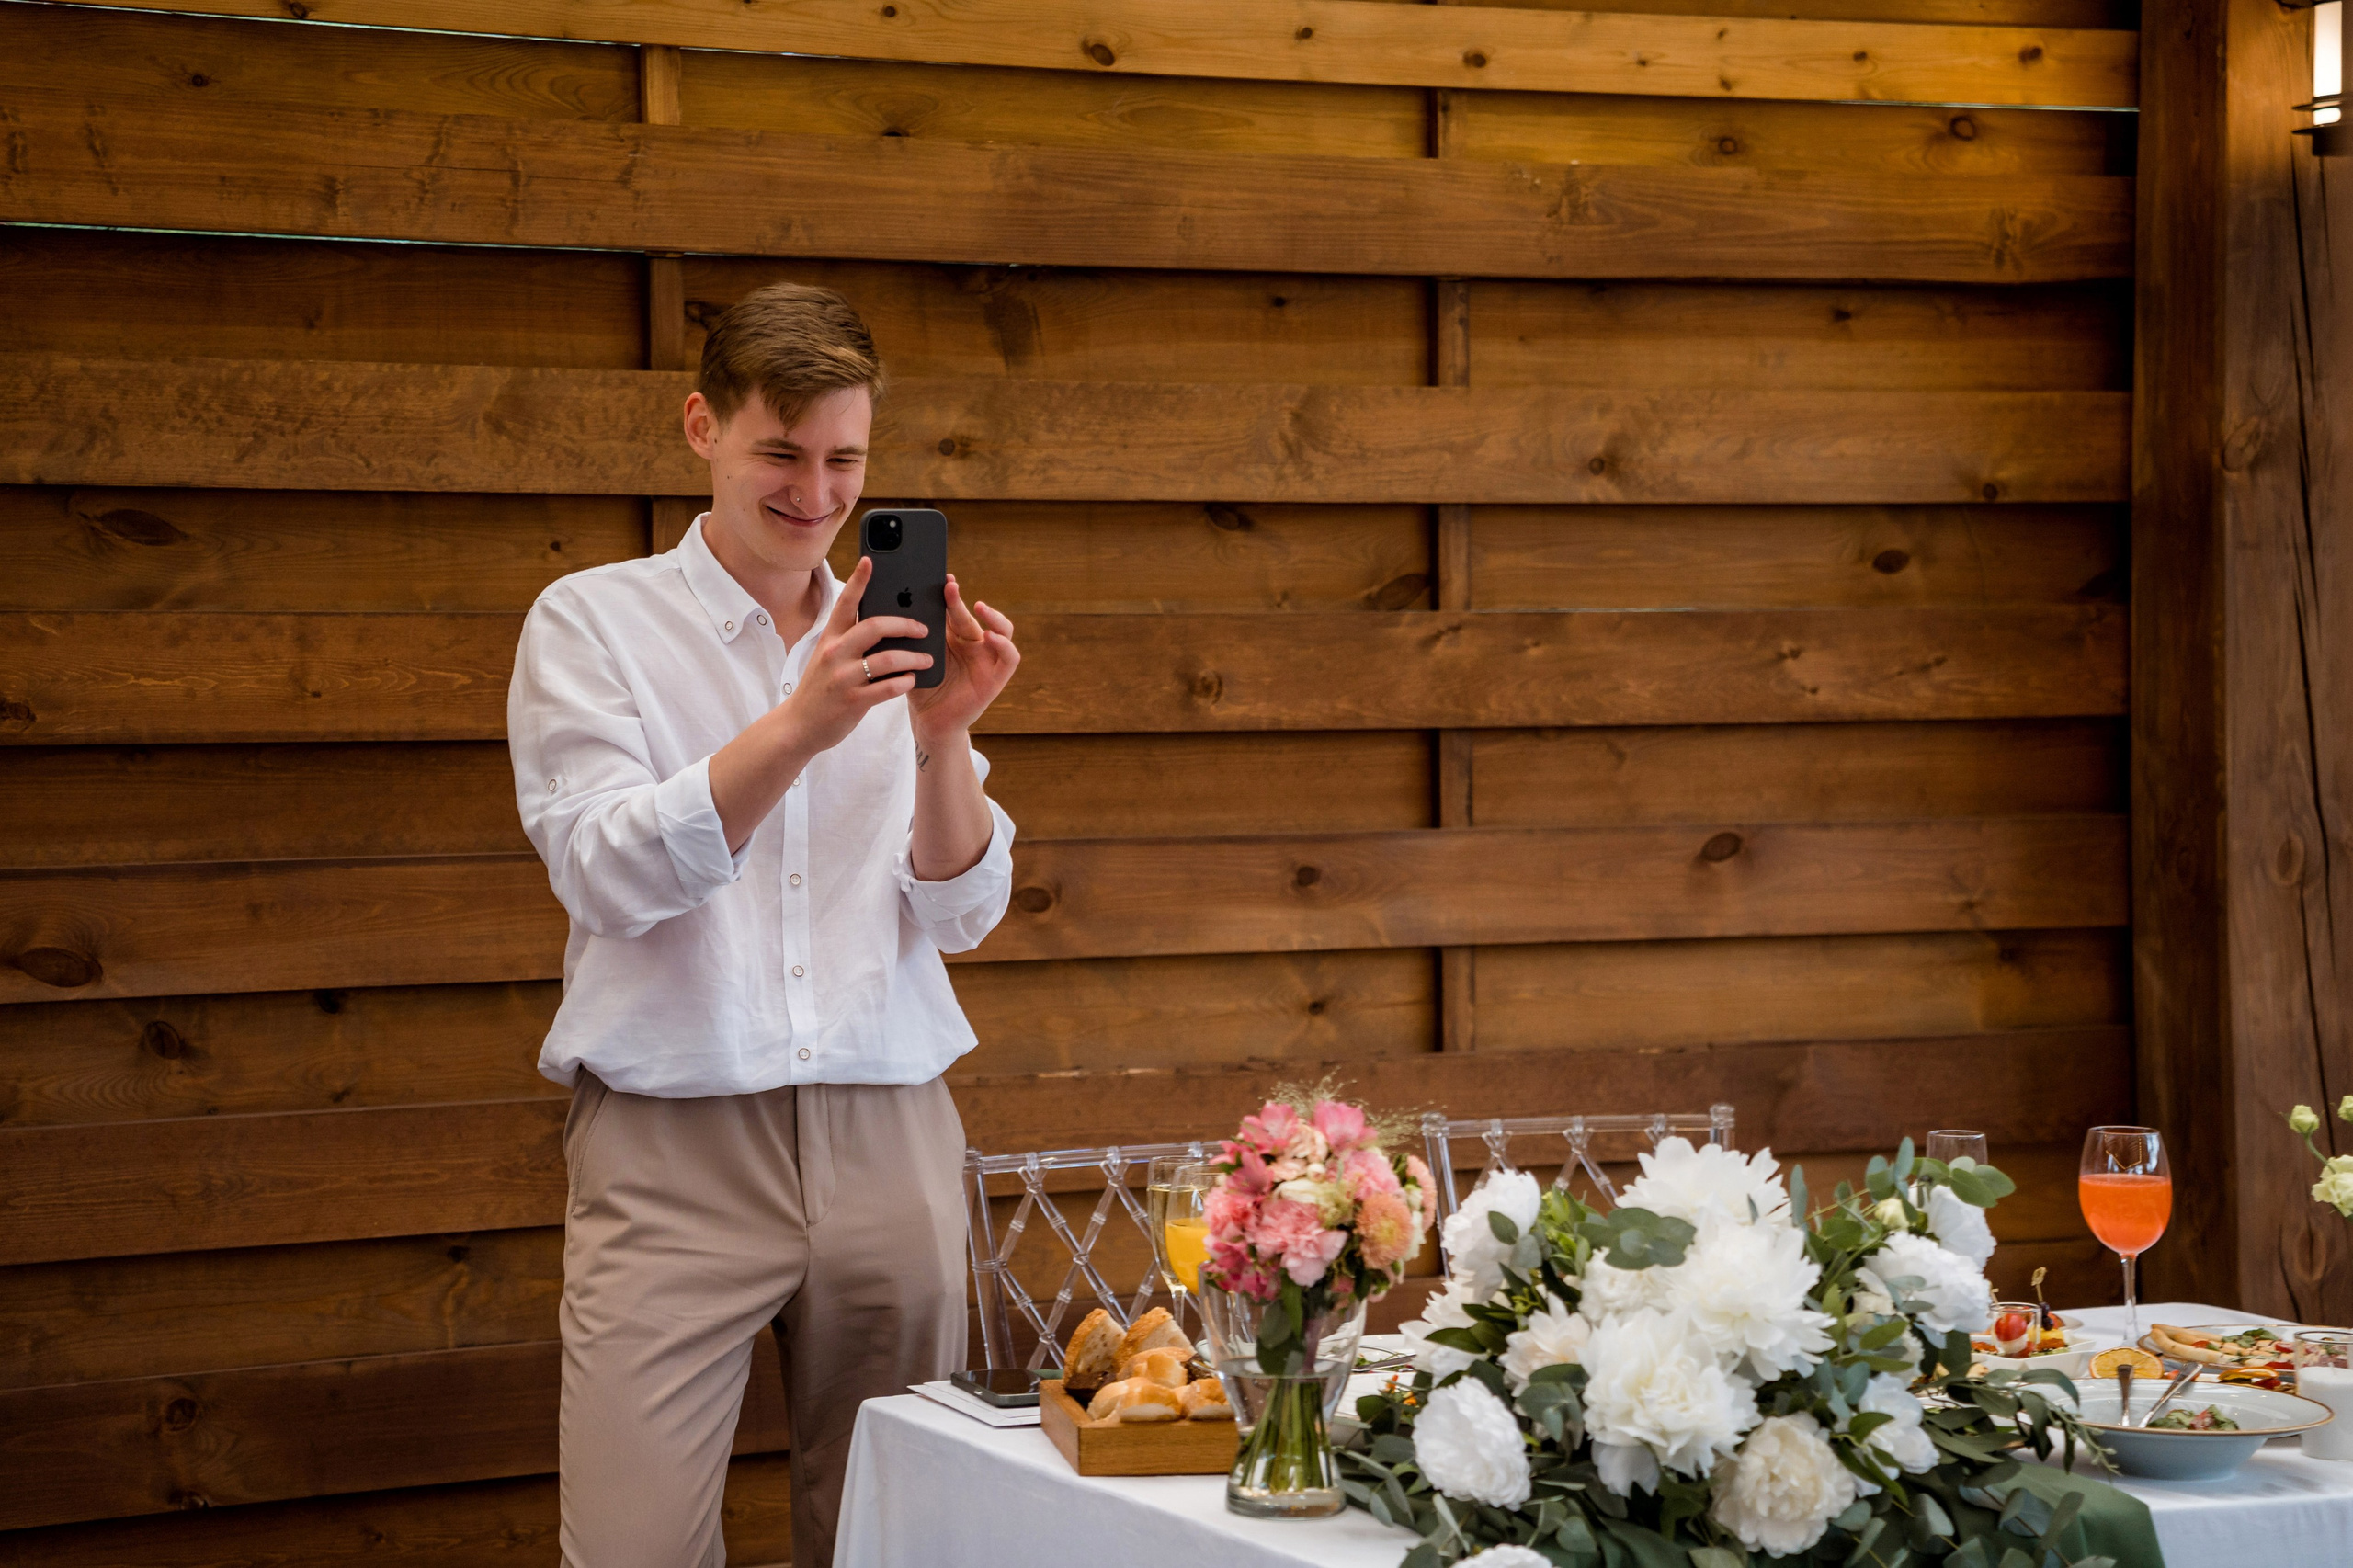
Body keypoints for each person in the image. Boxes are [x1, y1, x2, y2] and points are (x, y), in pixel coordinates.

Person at [506, 282, 1022, 1567]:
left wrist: (942, 735)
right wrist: (802, 723)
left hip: (890, 1130)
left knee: (896, 1542)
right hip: (672, 1146)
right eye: (781, 453)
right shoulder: (592, 620)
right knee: (630, 1550)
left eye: (845, 459)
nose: (816, 491)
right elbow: (605, 872)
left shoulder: (891, 640)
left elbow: (961, 909)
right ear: (703, 427)